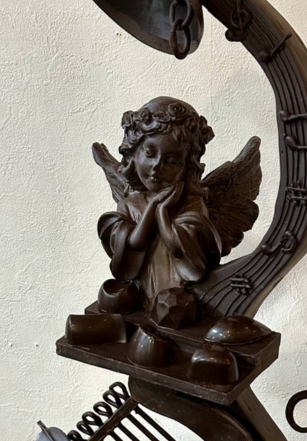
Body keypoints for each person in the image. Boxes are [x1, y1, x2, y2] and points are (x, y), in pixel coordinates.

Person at [95, 98, 223, 310]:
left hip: (182, 300)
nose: (156, 167)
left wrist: (162, 212)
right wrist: (154, 207)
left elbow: (182, 251)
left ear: (186, 166)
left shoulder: (192, 205)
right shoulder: (129, 204)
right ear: (133, 153)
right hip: (141, 296)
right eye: (149, 153)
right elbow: (133, 245)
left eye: (171, 162)